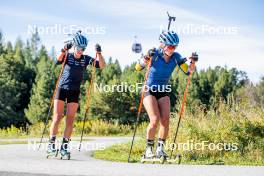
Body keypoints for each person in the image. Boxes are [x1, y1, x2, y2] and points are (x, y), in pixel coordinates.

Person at [135, 30, 198, 158]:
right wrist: (147, 56)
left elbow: (189, 72)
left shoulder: (176, 57)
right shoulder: (154, 54)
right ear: (163, 44)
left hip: (163, 90)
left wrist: (193, 62)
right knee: (155, 119)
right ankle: (148, 150)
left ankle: (160, 150)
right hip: (149, 89)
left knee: (165, 120)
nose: (172, 49)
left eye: (175, 46)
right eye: (170, 46)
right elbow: (138, 67)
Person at [47, 31, 106, 157]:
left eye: (83, 48)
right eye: (79, 48)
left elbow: (101, 66)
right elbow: (58, 61)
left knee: (70, 119)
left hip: (74, 91)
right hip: (62, 89)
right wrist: (64, 50)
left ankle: (64, 147)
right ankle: (51, 144)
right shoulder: (68, 56)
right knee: (57, 117)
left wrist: (99, 53)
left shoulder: (86, 59)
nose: (81, 50)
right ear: (74, 46)